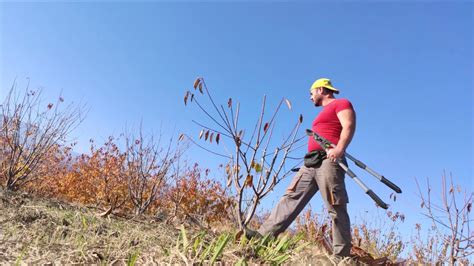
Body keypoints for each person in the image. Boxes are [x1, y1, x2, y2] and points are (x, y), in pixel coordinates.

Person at [248, 78, 356, 257]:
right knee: (290, 197)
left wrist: (339, 149)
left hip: (330, 162)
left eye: (311, 92)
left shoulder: (341, 103)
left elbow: (349, 125)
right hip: (311, 162)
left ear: (321, 89)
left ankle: (342, 256)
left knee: (335, 206)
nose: (310, 97)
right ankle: (263, 236)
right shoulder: (321, 114)